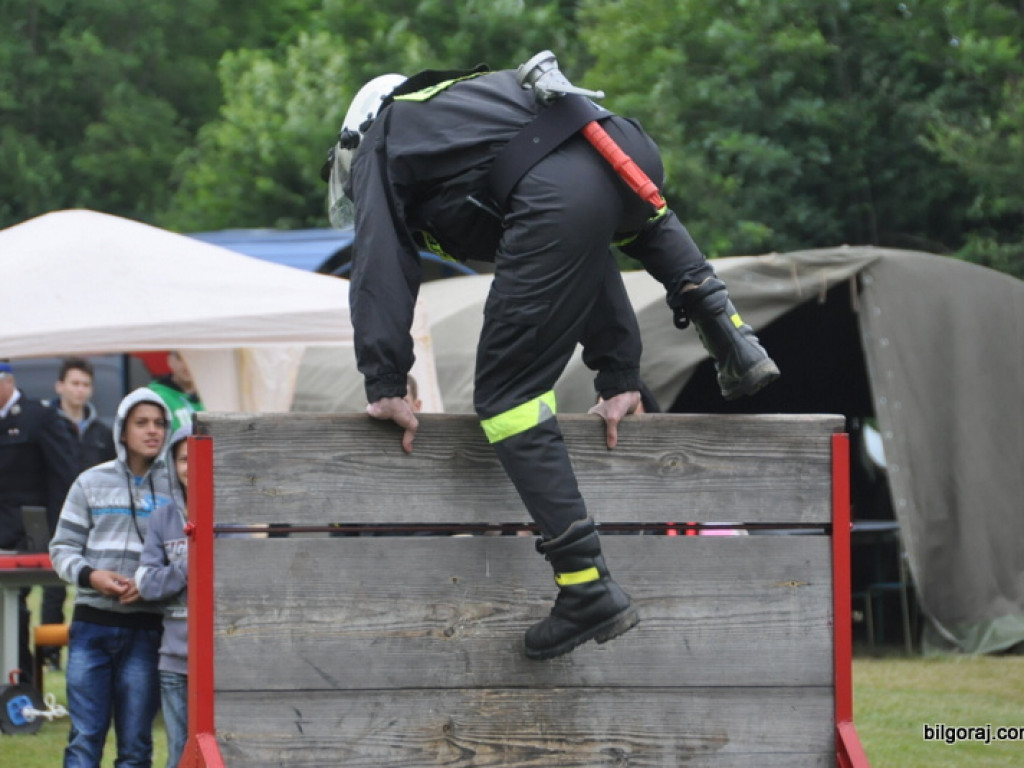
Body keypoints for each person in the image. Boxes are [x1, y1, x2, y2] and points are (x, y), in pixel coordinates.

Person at [322, 54, 780, 661]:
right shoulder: (469, 117)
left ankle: (584, 586)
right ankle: (730, 333)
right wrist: (619, 371)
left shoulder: (388, 133)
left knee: (508, 400)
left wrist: (383, 377)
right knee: (617, 218)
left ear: (360, 128)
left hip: (566, 176)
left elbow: (380, 259)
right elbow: (577, 239)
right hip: (621, 148)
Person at [49, 388, 173, 768]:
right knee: (85, 739)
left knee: (136, 746)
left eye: (159, 423)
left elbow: (188, 557)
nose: (152, 431)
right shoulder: (89, 482)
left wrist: (152, 583)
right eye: (141, 423)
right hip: (91, 628)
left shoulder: (178, 488)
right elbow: (62, 548)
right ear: (122, 431)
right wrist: (91, 575)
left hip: (148, 629)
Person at [0, 360, 78, 684]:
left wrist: (58, 534)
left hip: (24, 535)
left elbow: (63, 476)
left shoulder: (39, 417)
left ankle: (21, 685)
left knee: (12, 609)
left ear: (7, 381)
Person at [39, 357, 118, 670]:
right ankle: (49, 657)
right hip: (55, 515)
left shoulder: (102, 432)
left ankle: (92, 648)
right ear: (60, 386)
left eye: (86, 384)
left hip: (97, 523)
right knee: (53, 588)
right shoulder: (47, 426)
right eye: (74, 383)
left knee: (91, 585)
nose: (80, 390)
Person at [136, 424, 191, 768]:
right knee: (179, 751)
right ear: (173, 466)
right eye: (185, 459)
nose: (192, 466)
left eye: (200, 457)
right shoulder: (162, 519)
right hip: (175, 660)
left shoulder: (233, 517)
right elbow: (146, 583)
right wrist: (189, 567)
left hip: (226, 662)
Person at [148, 350, 205, 433]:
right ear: (170, 360)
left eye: (195, 358)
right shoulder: (157, 398)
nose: (187, 364)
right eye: (181, 358)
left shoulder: (217, 396)